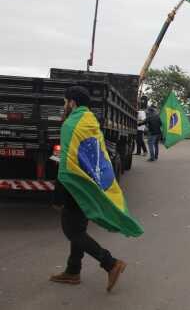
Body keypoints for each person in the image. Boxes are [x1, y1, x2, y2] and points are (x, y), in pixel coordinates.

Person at [50, 86, 128, 291]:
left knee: (72, 232)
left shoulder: (71, 124)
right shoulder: (90, 121)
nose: (64, 106)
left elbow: (66, 162)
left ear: (72, 102)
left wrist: (58, 195)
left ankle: (110, 263)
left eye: (65, 101)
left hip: (74, 185)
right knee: (79, 230)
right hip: (89, 183)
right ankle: (73, 271)